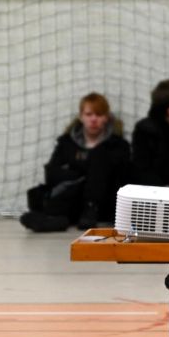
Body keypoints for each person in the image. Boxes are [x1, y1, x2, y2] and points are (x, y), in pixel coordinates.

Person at [21, 92, 131, 232]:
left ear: (106, 117)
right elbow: (52, 172)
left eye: (99, 115)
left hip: (104, 202)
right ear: (81, 116)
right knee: (58, 191)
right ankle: (60, 220)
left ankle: (82, 211)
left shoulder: (118, 145)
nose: (93, 119)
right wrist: (82, 174)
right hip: (74, 196)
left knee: (99, 162)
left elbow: (122, 176)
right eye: (89, 114)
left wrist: (79, 168)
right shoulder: (66, 142)